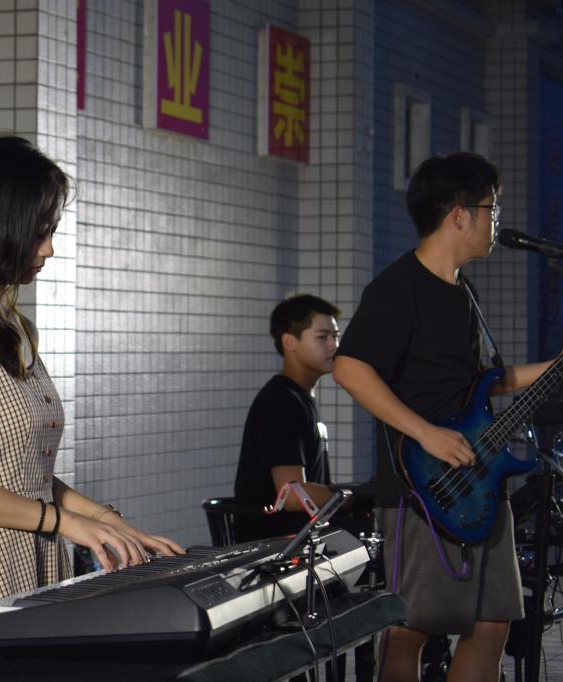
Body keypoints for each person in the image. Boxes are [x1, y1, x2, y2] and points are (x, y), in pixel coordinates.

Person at [0, 135, 184, 681]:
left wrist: (106, 523)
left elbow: (25, 473)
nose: (48, 249)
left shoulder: (12, 327)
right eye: (38, 232)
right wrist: (67, 523)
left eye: (51, 231)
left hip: (32, 546)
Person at [333, 151, 545, 681]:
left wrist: (554, 368)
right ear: (459, 215)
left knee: (492, 622)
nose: (497, 220)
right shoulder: (398, 287)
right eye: (492, 208)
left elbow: (486, 382)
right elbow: (350, 367)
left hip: (480, 479)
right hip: (423, 488)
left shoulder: (463, 291)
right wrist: (426, 434)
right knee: (411, 627)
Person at [233, 294, 340, 541]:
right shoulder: (281, 401)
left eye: (335, 336)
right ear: (289, 342)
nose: (333, 345)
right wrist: (348, 498)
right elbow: (292, 495)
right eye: (322, 337)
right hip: (277, 545)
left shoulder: (298, 397)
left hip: (300, 538)